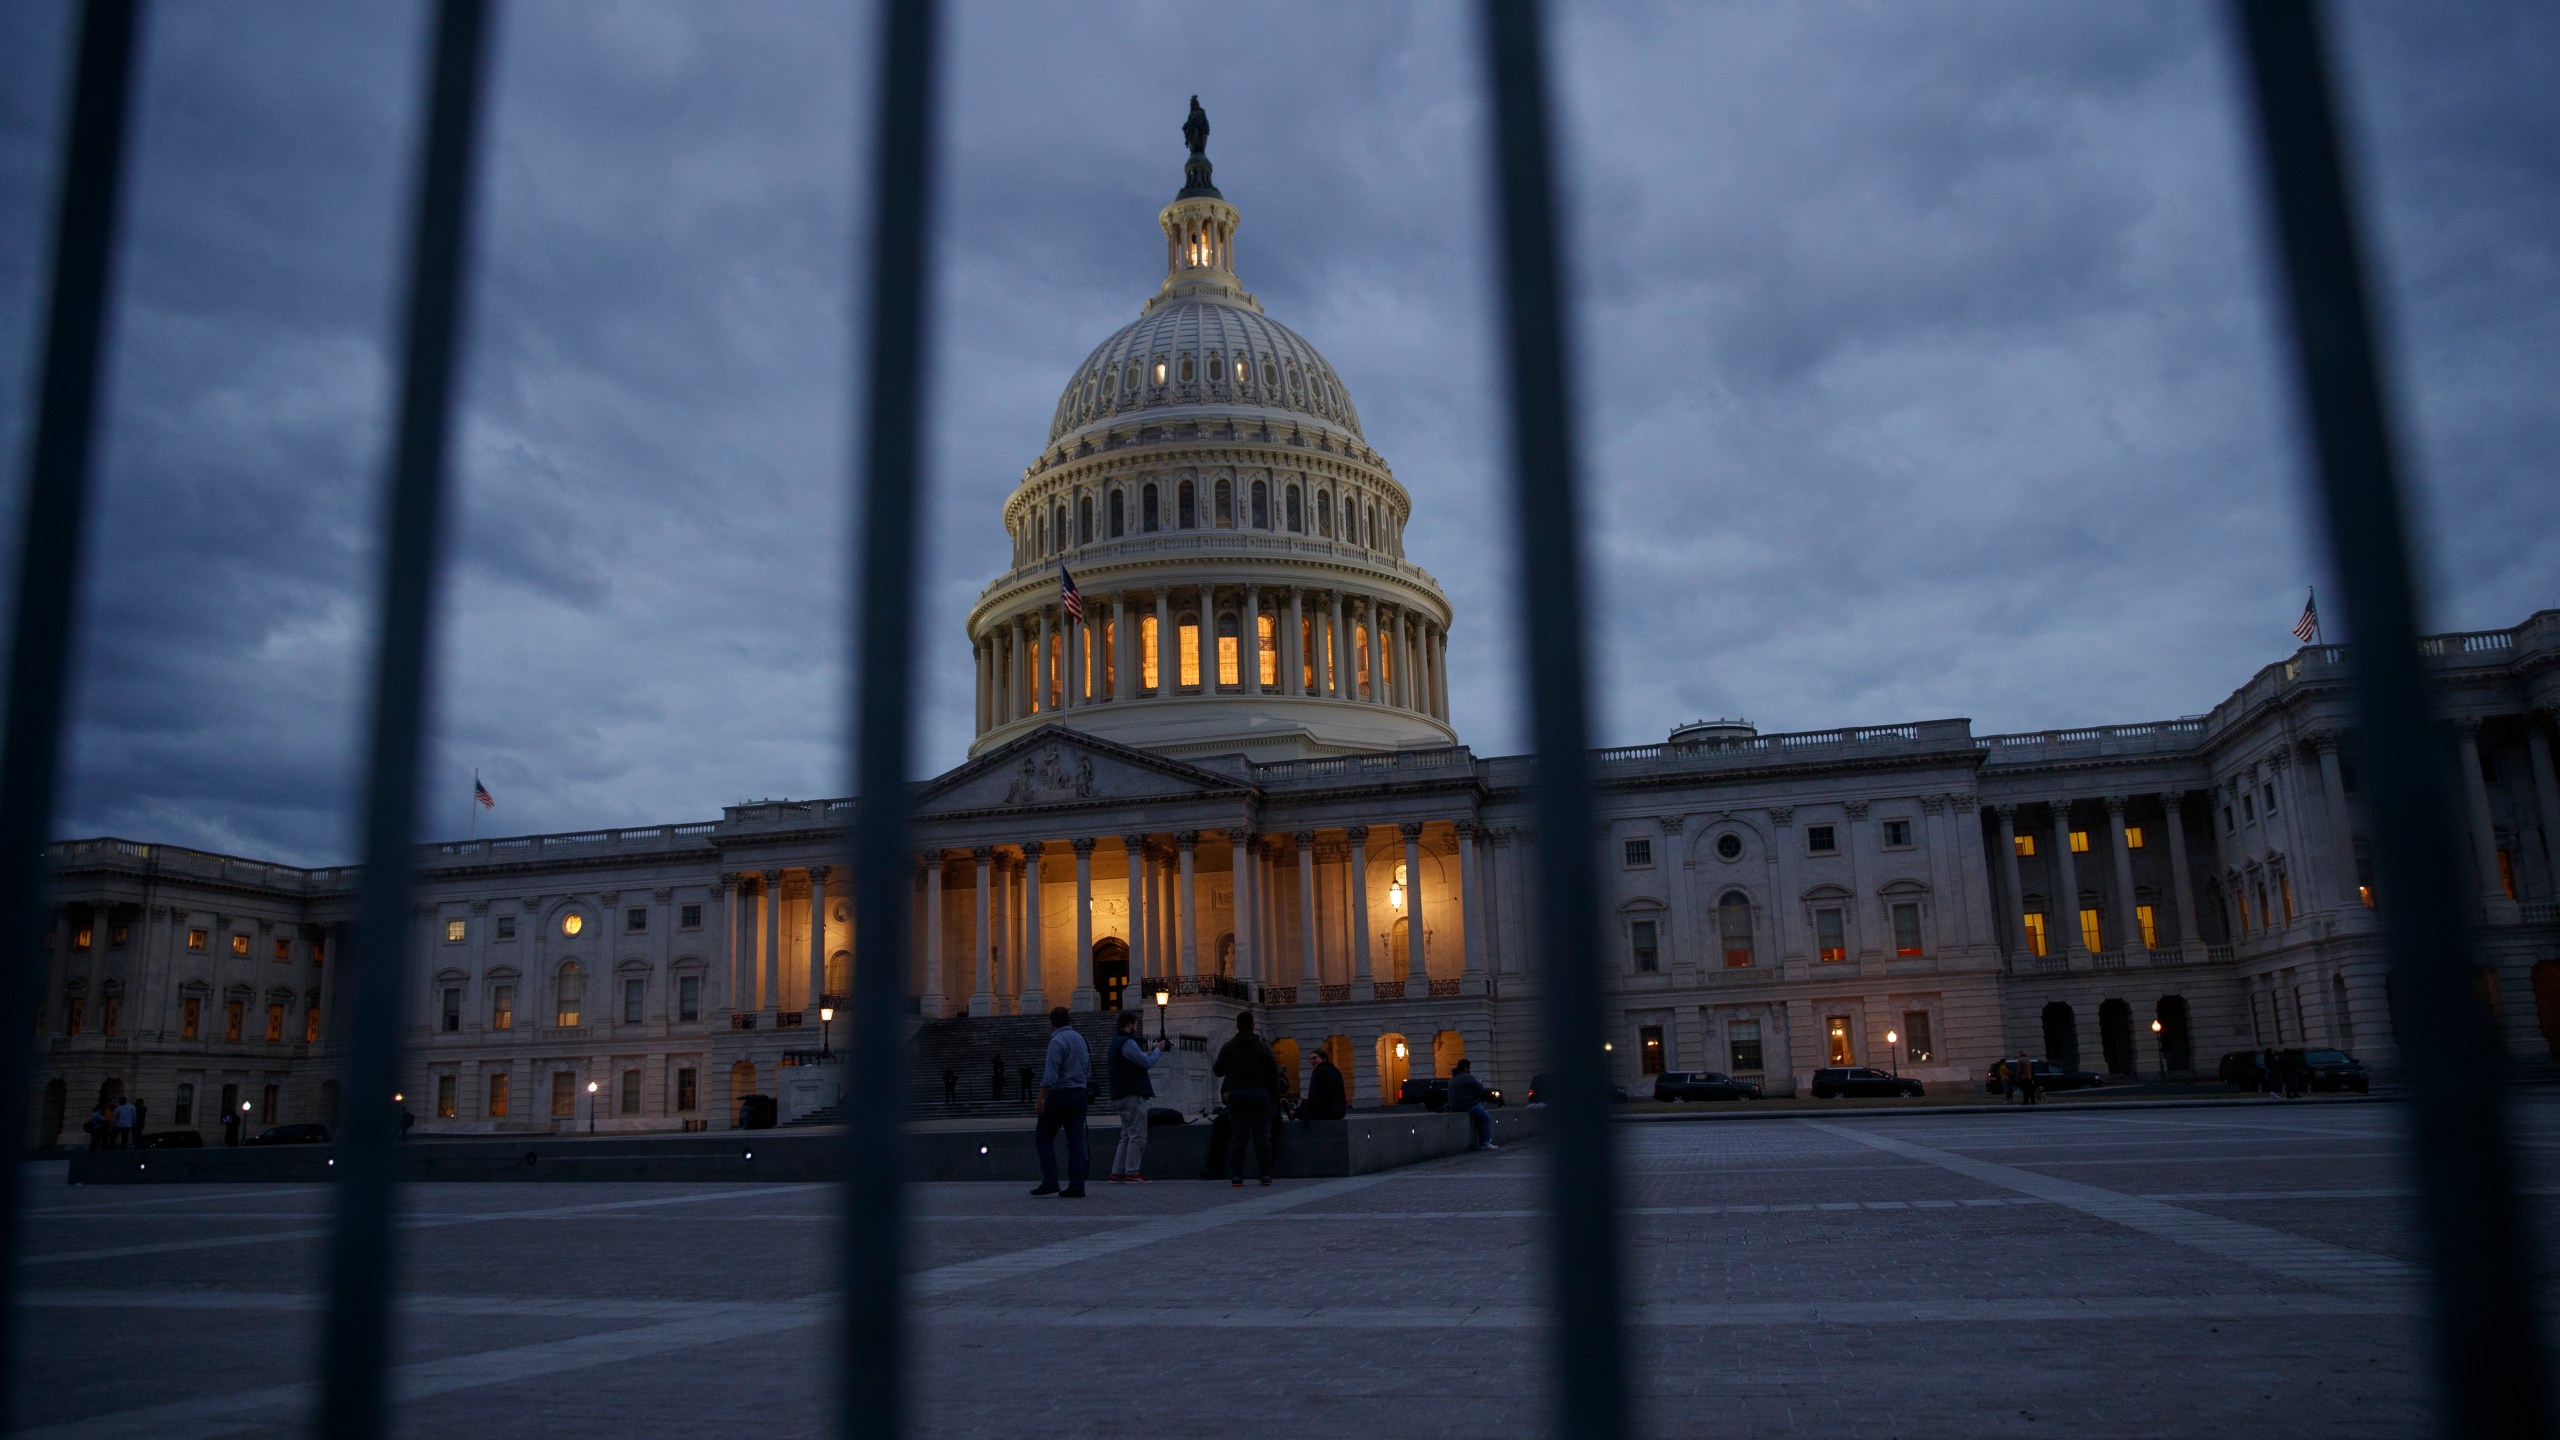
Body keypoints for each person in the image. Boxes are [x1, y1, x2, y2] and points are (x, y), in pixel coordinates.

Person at [1212, 1012, 1281, 1187]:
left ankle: (1237, 1176)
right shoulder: (1263, 1047)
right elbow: (1273, 1075)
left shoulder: (1229, 1047)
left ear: (1237, 1026)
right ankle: (1265, 1175)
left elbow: (1218, 1070)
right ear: (1252, 1026)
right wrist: (1273, 1098)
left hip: (1237, 1096)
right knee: (1262, 1137)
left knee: (1238, 1137)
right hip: (1260, 1095)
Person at [1030, 1007, 1091, 1198]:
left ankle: (1050, 1181)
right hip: (1079, 1094)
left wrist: (1041, 1098)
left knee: (1043, 1137)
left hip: (1061, 1095)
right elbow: (1088, 1068)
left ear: (1052, 1022)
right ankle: (1077, 1185)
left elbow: (1051, 1073)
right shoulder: (1081, 1039)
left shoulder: (1057, 1041)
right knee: (1076, 1142)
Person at [1106, 1010, 1167, 1183]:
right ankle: (1132, 1172)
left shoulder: (1116, 1042)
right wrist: (1157, 1050)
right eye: (1135, 1024)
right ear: (1129, 1024)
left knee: (1126, 1134)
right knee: (1137, 1135)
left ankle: (1117, 1172)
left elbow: (1137, 1059)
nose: (1136, 1028)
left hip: (1120, 1093)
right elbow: (1146, 1062)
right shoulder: (1127, 1042)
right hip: (1131, 1093)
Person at [1446, 1059, 1496, 1151]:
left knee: (1479, 1118)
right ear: (1466, 1068)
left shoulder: (1453, 1078)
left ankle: (1484, 1142)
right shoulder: (1467, 1077)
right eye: (1469, 1067)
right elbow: (1479, 1088)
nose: (1469, 1069)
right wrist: (1479, 1082)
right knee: (1486, 1118)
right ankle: (1485, 1142)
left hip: (1455, 1106)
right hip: (1469, 1105)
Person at [1300, 1048, 1348, 1126]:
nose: (1312, 1061)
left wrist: (1306, 1118)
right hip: (1341, 1112)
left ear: (1324, 1058)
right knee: (1306, 1104)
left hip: (1327, 1112)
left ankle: (1293, 1112)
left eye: (1315, 1058)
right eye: (1310, 1059)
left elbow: (1313, 1094)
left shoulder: (1318, 1071)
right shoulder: (1335, 1070)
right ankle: (1294, 1110)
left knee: (1305, 1105)